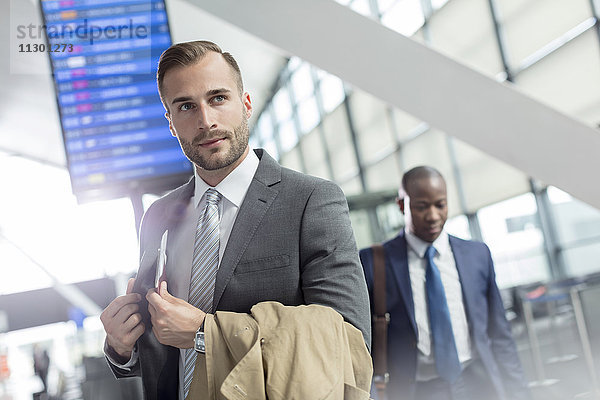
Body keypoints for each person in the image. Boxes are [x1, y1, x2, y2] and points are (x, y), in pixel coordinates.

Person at [100, 40, 371, 400]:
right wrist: (122, 347)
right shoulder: (157, 217)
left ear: (245, 104)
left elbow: (348, 340)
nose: (206, 121)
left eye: (217, 99)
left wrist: (204, 333)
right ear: (171, 123)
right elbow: (162, 344)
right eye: (185, 106)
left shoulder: (310, 201)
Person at [359, 166, 530, 400]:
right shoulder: (373, 262)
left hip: (478, 382)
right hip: (415, 390)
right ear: (402, 206)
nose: (433, 216)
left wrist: (519, 392)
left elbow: (499, 334)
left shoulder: (477, 255)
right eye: (421, 207)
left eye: (440, 205)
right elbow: (361, 346)